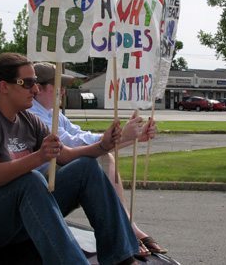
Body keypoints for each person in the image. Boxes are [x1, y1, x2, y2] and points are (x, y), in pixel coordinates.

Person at [0, 53, 139, 265]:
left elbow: (66, 155)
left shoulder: (28, 119)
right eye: (27, 83)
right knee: (31, 180)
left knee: (86, 167)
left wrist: (103, 145)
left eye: (35, 82)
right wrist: (39, 156)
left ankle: (122, 259)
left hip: (11, 217)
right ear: (4, 86)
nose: (35, 89)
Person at [28, 62, 167, 256]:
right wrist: (123, 136)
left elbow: (83, 139)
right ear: (40, 88)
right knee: (100, 159)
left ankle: (128, 226)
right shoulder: (34, 114)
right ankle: (125, 231)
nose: (64, 91)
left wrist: (134, 136)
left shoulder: (53, 114)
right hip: (41, 188)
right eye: (59, 85)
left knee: (105, 156)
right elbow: (73, 144)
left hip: (53, 176)